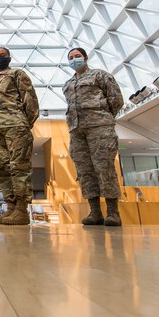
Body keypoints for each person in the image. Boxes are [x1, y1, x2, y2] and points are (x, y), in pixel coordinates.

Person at [62, 47, 124, 226]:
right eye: (71, 57)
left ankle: (113, 212)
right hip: (77, 130)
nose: (74, 60)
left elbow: (116, 99)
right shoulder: (67, 84)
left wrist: (103, 116)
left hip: (100, 128)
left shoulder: (100, 75)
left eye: (77, 56)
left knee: (104, 168)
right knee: (85, 171)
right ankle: (95, 211)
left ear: (86, 57)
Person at [0, 47, 39, 225]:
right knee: (3, 169)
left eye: (2, 54)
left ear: (9, 57)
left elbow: (30, 100)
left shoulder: (17, 74)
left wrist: (24, 122)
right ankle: (11, 208)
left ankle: (21, 210)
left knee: (19, 167)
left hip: (16, 126)